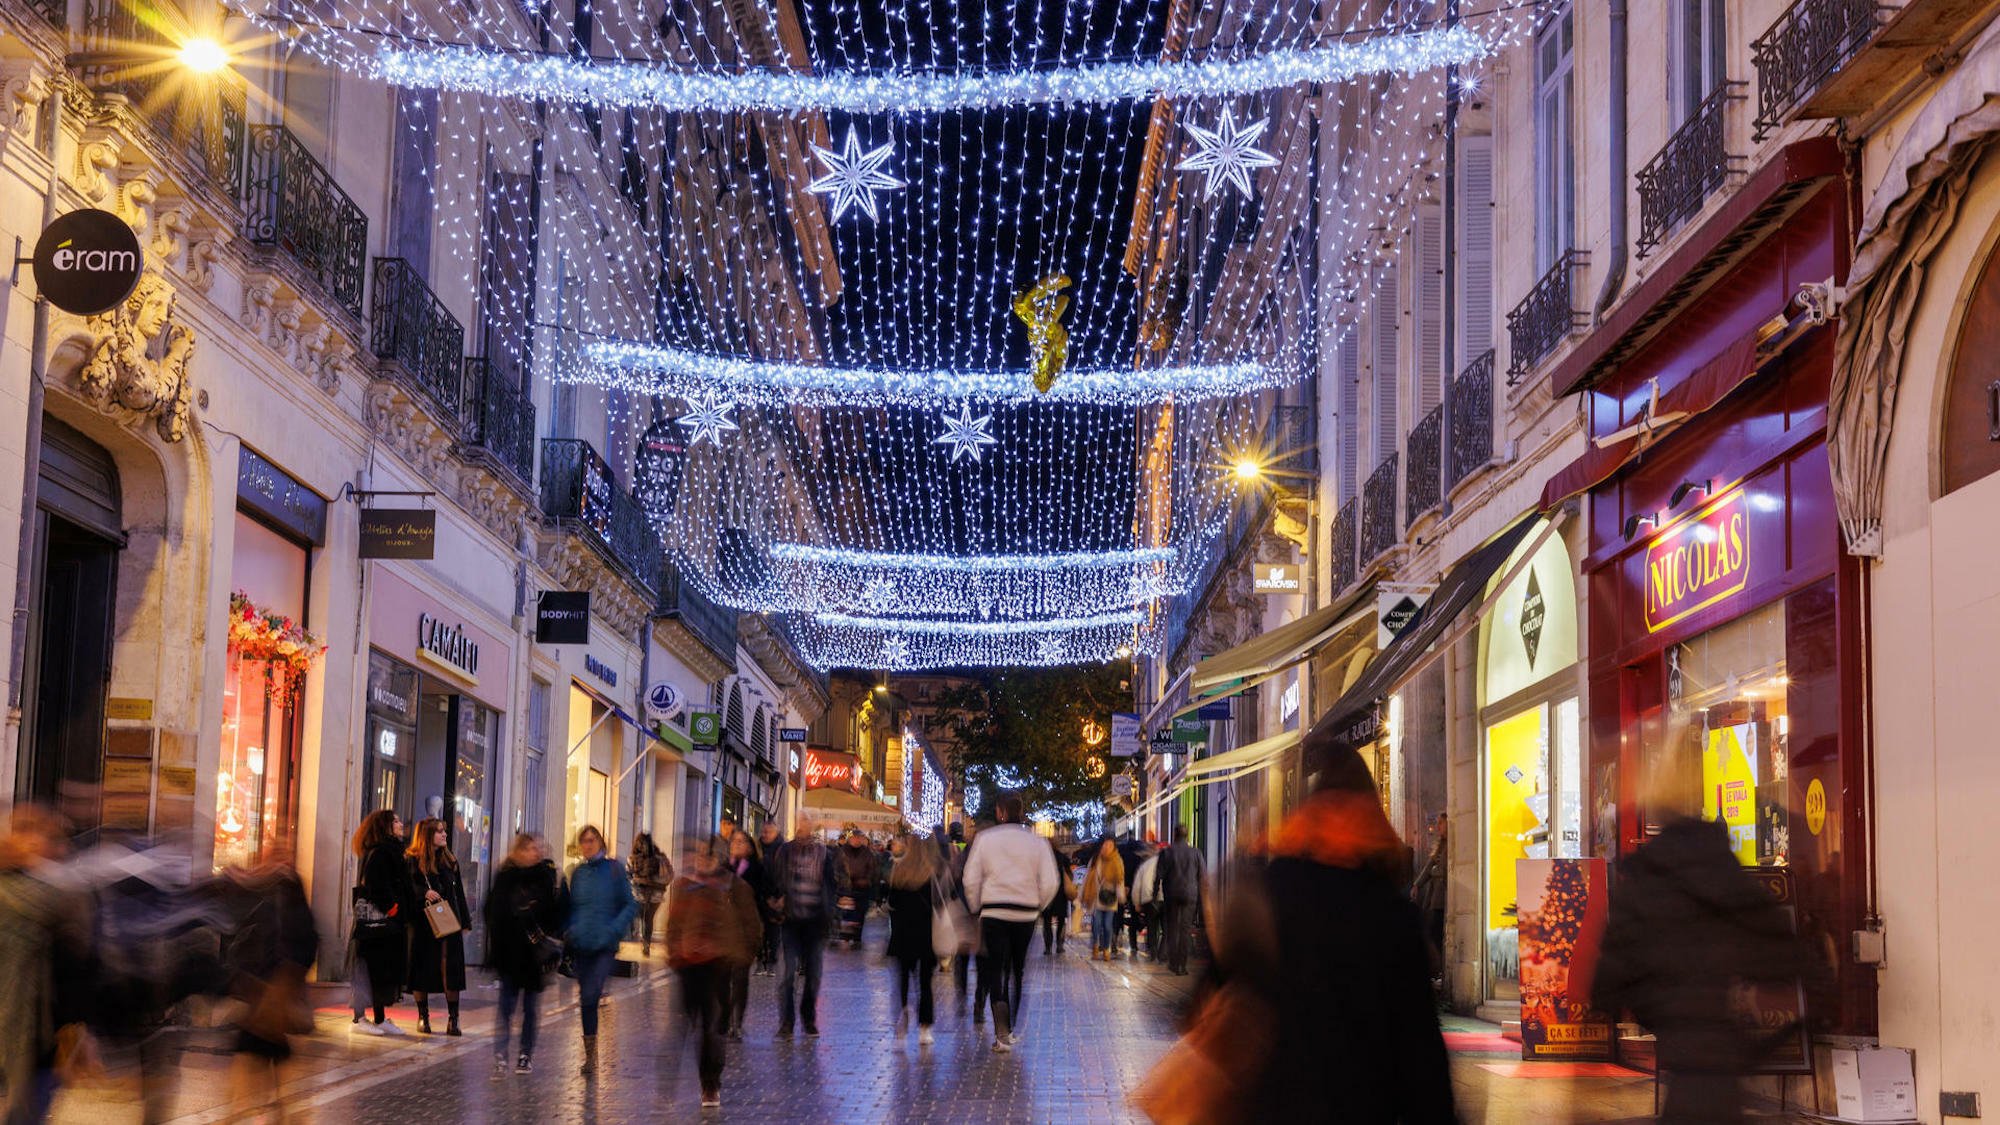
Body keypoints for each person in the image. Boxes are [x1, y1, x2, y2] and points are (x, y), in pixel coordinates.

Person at [1139, 751, 1456, 1124]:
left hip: (1269, 1106)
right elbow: (1423, 1063)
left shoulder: (1269, 893)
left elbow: (1205, 1000)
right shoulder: (1393, 917)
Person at [1592, 814, 1808, 1123]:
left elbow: (1618, 951)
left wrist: (1612, 996)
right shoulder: (1725, 876)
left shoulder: (1650, 878)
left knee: (1691, 1099)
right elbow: (1772, 936)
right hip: (1715, 1031)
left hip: (1676, 1028)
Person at [0, 806, 93, 1122]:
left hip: (41, 1033)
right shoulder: (58, 896)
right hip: (26, 1033)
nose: (62, 849)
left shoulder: (62, 894)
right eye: (53, 840)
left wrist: (78, 1031)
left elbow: (77, 969)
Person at [666, 836, 762, 1109]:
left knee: (711, 1028)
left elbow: (751, 926)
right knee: (684, 1024)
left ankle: (710, 1083)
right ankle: (671, 1083)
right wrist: (674, 954)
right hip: (688, 965)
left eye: (707, 855)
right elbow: (674, 924)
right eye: (697, 854)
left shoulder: (735, 887)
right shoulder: (684, 886)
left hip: (719, 966)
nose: (701, 860)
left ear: (717, 858)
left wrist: (741, 958)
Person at [961, 794, 1059, 1052]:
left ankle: (1001, 1032)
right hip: (1024, 914)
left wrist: (975, 906)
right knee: (1018, 969)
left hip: (993, 911)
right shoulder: (1037, 843)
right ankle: (1011, 1026)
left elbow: (970, 879)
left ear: (1001, 812)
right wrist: (1038, 905)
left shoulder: (985, 839)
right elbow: (1051, 881)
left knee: (995, 969)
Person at [486, 833, 564, 1076]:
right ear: (519, 851)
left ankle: (525, 1054)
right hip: (510, 952)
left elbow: (555, 914)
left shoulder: (545, 876)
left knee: (530, 1008)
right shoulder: (506, 876)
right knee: (506, 1006)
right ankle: (500, 1053)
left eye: (539, 848)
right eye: (531, 848)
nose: (536, 852)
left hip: (534, 955)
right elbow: (491, 910)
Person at [565, 824, 637, 1075]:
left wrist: (614, 930)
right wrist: (571, 929)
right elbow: (572, 908)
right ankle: (591, 1056)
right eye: (584, 841)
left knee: (591, 993)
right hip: (582, 944)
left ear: (601, 842)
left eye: (592, 840)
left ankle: (592, 1056)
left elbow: (630, 904)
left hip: (604, 945)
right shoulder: (578, 873)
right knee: (586, 1001)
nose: (588, 844)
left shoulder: (614, 870)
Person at [767, 823, 839, 1036]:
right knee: (787, 975)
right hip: (791, 921)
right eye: (801, 824)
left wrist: (830, 910)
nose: (803, 829)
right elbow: (775, 879)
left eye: (807, 824)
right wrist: (776, 898)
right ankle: (787, 1022)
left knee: (814, 975)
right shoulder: (786, 851)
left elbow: (830, 884)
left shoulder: (823, 853)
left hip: (815, 922)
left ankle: (808, 1018)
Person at [350, 809, 415, 1035]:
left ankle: (379, 1018)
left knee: (379, 970)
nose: (400, 824)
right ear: (385, 826)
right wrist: (393, 908)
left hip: (383, 926)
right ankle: (360, 1020)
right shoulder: (381, 852)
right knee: (370, 970)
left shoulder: (389, 851)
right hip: (377, 925)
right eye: (395, 821)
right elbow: (377, 885)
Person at [404, 817, 471, 1036]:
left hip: (448, 920)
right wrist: (423, 892)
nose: (445, 835)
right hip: (423, 923)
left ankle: (454, 1019)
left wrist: (465, 922)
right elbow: (405, 888)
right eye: (440, 831)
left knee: (450, 968)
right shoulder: (413, 860)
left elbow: (458, 892)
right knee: (422, 967)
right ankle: (423, 1017)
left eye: (444, 831)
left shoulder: (450, 860)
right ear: (427, 835)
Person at [885, 834, 944, 1045]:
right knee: (925, 983)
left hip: (902, 933)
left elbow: (891, 901)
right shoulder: (930, 873)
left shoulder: (899, 870)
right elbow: (938, 903)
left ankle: (903, 1008)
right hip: (925, 934)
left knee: (903, 977)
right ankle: (925, 1029)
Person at [722, 831, 764, 1038]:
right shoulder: (722, 869)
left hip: (746, 933)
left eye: (741, 841)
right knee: (722, 979)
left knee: (739, 980)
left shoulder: (757, 870)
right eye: (734, 842)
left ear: (749, 846)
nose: (737, 845)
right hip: (723, 933)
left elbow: (763, 902)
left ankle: (735, 1022)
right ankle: (725, 1018)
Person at [1154, 824, 1206, 975]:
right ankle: (1182, 965)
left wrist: (1154, 895)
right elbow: (1202, 876)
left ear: (1174, 835)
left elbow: (1158, 876)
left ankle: (1174, 962)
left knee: (1172, 929)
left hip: (1172, 894)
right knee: (1185, 929)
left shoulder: (1167, 853)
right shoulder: (1196, 853)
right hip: (1190, 895)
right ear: (1187, 835)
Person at [1410, 814, 1449, 976]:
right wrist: (1417, 884)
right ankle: (1437, 970)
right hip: (1434, 897)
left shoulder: (1450, 845)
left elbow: (1442, 870)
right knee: (1432, 930)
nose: (1438, 826)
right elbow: (1429, 867)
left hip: (1441, 898)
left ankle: (1439, 970)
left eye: (1441, 823)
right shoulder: (1441, 845)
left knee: (1436, 931)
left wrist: (1434, 872)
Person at [1081, 839, 1126, 961]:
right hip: (1097, 897)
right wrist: (1083, 893)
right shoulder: (1096, 859)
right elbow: (1087, 877)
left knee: (1107, 925)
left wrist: (1121, 896)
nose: (1107, 847)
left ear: (1114, 847)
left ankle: (1106, 949)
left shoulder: (1117, 860)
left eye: (1110, 845)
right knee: (1096, 925)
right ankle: (1095, 946)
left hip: (1110, 898)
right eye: (1105, 844)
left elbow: (1120, 880)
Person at [628, 832, 672, 958]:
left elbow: (628, 876)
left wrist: (637, 881)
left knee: (643, 917)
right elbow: (669, 876)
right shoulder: (660, 858)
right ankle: (645, 942)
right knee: (648, 919)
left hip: (639, 895)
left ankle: (643, 939)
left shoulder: (633, 858)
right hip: (655, 896)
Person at [837, 829, 878, 948]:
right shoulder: (843, 851)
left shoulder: (867, 853)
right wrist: (843, 881)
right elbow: (837, 868)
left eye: (859, 838)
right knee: (846, 914)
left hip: (862, 889)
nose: (857, 840)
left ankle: (857, 938)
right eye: (855, 837)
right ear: (850, 838)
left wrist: (867, 880)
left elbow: (872, 869)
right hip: (846, 889)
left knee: (860, 914)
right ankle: (845, 936)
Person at [753, 823, 783, 975]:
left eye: (768, 831)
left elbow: (785, 874)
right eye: (763, 831)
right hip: (758, 896)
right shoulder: (756, 848)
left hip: (775, 898)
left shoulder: (783, 850)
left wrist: (779, 896)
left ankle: (772, 962)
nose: (765, 834)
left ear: (776, 833)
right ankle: (760, 961)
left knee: (773, 931)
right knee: (758, 931)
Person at [1040, 839, 1076, 956]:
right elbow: (1070, 875)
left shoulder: (1042, 859)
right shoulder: (1062, 858)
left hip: (1048, 894)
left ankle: (1048, 947)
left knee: (1047, 921)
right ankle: (1060, 945)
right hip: (1061, 893)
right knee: (1061, 920)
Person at [1131, 845, 1161, 961]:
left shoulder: (1144, 866)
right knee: (1164, 927)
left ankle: (1153, 951)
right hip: (1163, 899)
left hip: (1148, 900)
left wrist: (1136, 902)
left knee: (1152, 927)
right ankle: (1162, 952)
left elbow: (1137, 886)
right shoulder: (1166, 864)